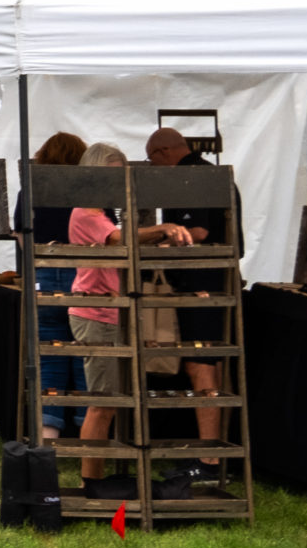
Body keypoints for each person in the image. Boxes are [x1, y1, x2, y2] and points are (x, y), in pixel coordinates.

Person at [67, 142, 187, 495]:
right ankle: (91, 481)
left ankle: (100, 478)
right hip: (97, 313)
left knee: (113, 401)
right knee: (102, 402)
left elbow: (121, 242)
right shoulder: (85, 213)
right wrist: (160, 229)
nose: (117, 185)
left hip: (111, 312)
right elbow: (118, 239)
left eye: (122, 178)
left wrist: (156, 241)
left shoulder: (101, 213)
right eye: (112, 177)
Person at [145, 126, 235, 496]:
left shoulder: (193, 177)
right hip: (204, 281)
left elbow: (197, 230)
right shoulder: (206, 172)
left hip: (205, 283)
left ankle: (209, 459)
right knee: (200, 365)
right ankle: (205, 452)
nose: (155, 168)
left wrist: (158, 236)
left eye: (153, 161)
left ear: (166, 152)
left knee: (203, 366)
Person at [18, 131, 88, 440]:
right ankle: (91, 435)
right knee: (88, 354)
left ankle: (48, 434)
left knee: (51, 356)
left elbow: (21, 234)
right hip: (82, 275)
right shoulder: (89, 187)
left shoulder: (32, 187)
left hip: (43, 275)